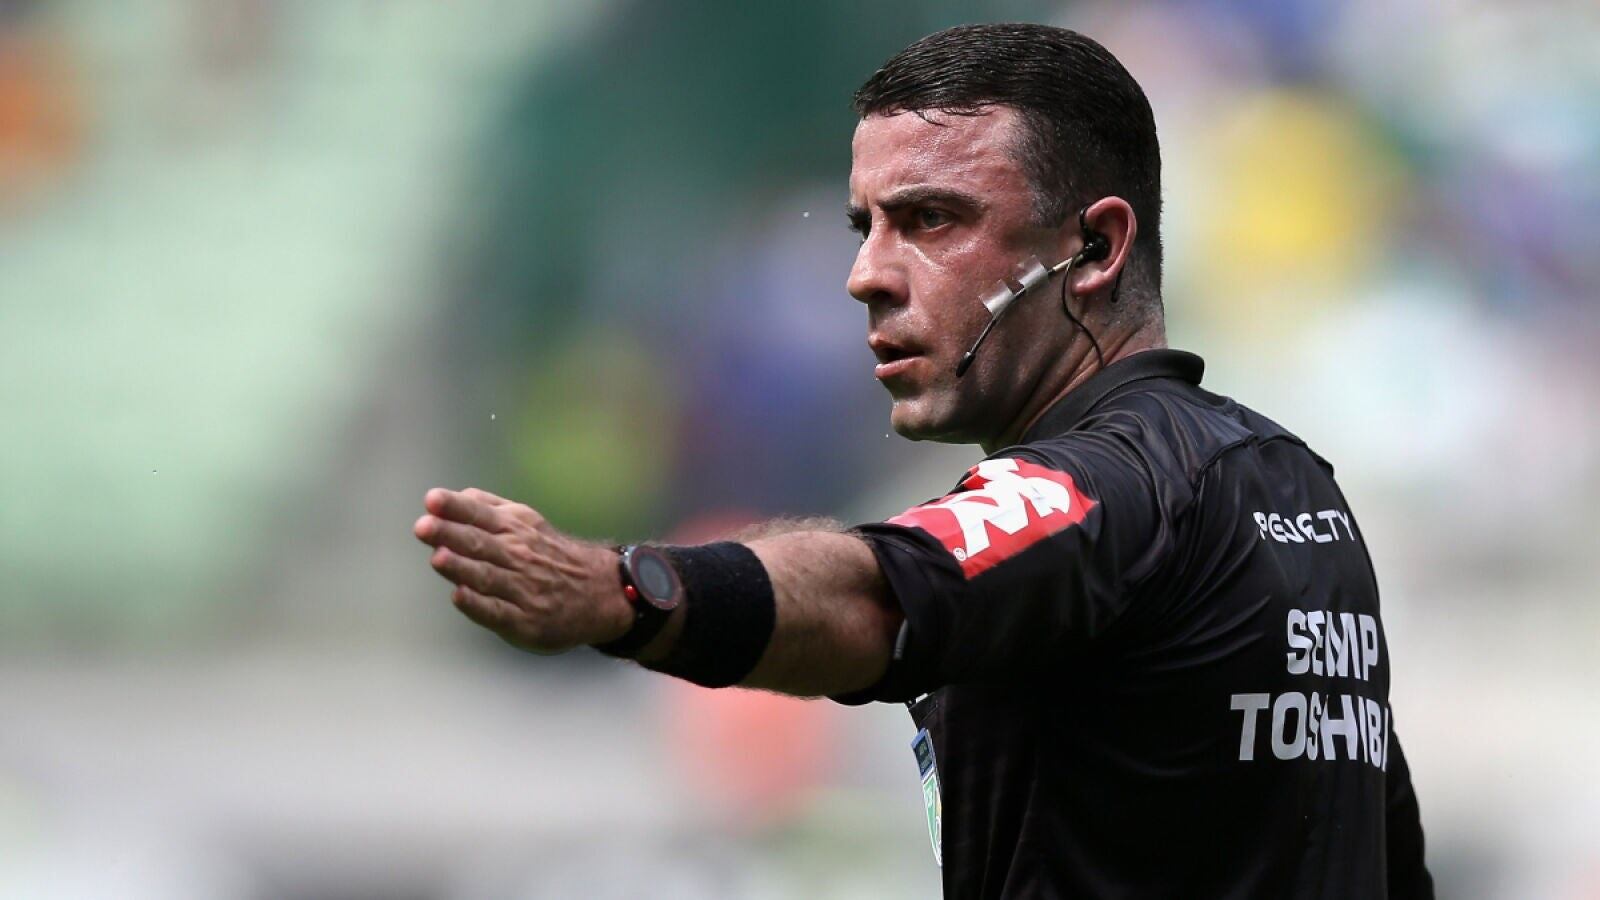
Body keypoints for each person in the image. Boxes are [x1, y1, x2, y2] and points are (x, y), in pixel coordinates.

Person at [413, 23, 1434, 899]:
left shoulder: (1108, 488)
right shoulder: (1300, 493)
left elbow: (875, 597)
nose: (865, 275)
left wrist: (623, 592)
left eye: (931, 220)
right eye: (866, 226)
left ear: (1097, 248)